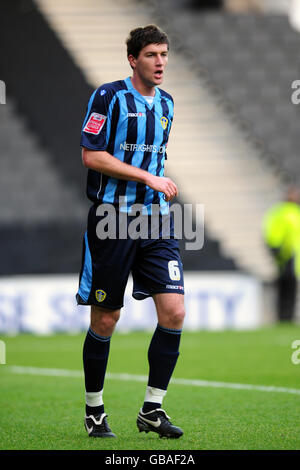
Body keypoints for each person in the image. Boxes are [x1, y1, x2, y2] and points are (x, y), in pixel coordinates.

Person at [76, 25, 185, 439]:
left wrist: (154, 183)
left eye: (165, 54)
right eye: (152, 55)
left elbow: (154, 161)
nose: (160, 62)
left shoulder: (169, 104)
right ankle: (94, 410)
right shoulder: (109, 97)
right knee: (107, 317)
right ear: (133, 59)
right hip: (112, 219)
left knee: (174, 312)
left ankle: (152, 409)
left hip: (155, 220)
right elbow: (91, 155)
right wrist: (148, 177)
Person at [263, 186, 300, 322]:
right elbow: (273, 233)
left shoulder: (292, 212)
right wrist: (277, 251)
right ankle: (283, 317)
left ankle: (287, 317)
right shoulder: (282, 212)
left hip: (293, 258)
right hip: (286, 257)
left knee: (290, 289)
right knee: (286, 288)